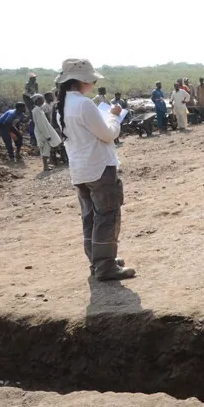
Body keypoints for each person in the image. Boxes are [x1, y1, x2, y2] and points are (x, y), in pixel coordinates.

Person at [54, 58, 135, 281]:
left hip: (80, 170)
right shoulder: (84, 104)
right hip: (98, 167)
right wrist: (114, 116)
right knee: (107, 216)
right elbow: (109, 134)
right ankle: (105, 266)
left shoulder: (63, 105)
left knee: (90, 217)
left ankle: (98, 261)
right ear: (83, 80)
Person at [31, 94, 62, 171]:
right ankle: (45, 166)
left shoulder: (39, 109)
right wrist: (47, 135)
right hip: (42, 133)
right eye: (41, 99)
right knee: (45, 149)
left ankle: (46, 165)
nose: (43, 100)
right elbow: (41, 125)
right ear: (37, 100)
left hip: (42, 132)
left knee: (46, 149)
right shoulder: (37, 111)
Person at [49, 90, 69, 164]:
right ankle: (63, 158)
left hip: (57, 125)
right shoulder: (57, 104)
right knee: (61, 143)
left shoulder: (56, 104)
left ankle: (61, 158)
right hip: (57, 126)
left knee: (61, 143)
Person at [24, 73, 39, 146]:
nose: (35, 79)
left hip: (33, 96)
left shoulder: (36, 83)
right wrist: (32, 96)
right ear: (30, 78)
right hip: (27, 97)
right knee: (31, 110)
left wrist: (37, 97)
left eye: (35, 77)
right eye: (33, 78)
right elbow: (26, 92)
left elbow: (37, 91)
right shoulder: (27, 84)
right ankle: (31, 116)